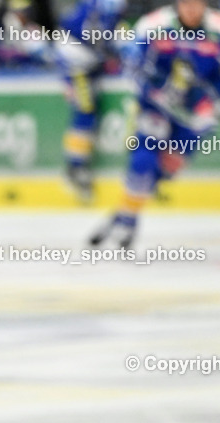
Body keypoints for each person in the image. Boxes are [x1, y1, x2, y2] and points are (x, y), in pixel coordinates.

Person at [90, 0, 220, 248]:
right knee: (144, 160)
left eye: (197, 3)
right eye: (186, 3)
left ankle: (121, 214)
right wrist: (156, 88)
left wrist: (211, 104)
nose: (191, 9)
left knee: (166, 170)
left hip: (194, 112)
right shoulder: (153, 26)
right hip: (156, 106)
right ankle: (128, 223)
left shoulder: (217, 28)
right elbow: (130, 63)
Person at [54, 0, 129, 202]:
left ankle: (76, 166)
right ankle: (75, 166)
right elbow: (96, 33)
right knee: (85, 110)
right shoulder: (101, 6)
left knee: (86, 110)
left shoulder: (105, 6)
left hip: (86, 60)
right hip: (76, 62)